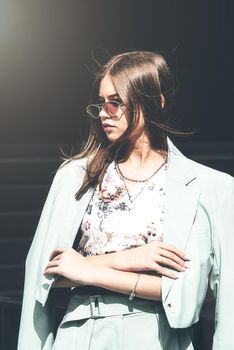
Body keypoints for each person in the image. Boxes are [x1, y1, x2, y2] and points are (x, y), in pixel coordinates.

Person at [17, 51, 234, 350]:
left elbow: (188, 292)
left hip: (157, 336)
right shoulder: (74, 176)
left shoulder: (211, 187)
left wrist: (88, 270)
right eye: (101, 103)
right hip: (78, 334)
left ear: (153, 102)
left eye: (115, 102)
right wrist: (129, 259)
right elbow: (44, 276)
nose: (104, 112)